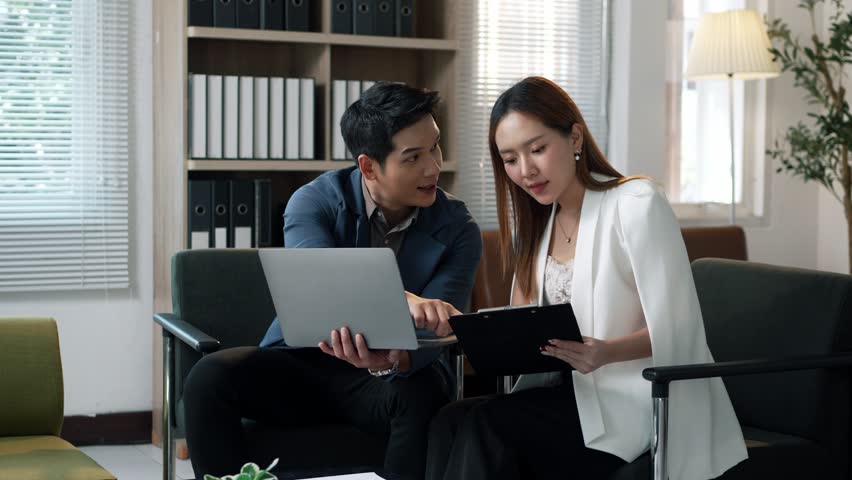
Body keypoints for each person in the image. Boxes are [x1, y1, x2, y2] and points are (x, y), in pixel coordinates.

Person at [425, 76, 747, 480]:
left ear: (575, 137)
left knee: (487, 425)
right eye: (510, 159)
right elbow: (526, 323)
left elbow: (679, 328)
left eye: (538, 149)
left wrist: (605, 352)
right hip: (568, 393)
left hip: (632, 397)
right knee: (448, 421)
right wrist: (482, 332)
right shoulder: (539, 224)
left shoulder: (636, 203)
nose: (526, 170)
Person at [183, 82, 482, 479]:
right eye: (413, 157)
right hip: (303, 362)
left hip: (390, 377)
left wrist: (393, 359)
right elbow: (320, 279)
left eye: (435, 148)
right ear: (369, 166)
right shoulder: (315, 200)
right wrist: (406, 300)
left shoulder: (458, 227)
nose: (433, 168)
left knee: (423, 390)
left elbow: (441, 328)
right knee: (210, 376)